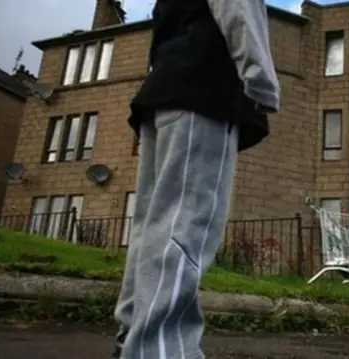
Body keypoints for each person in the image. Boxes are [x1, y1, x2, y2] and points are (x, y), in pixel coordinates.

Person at [112, 1, 279, 358]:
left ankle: (133, 334)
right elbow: (238, 8)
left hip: (164, 91)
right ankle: (160, 348)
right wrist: (261, 82)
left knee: (151, 227)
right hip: (204, 91)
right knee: (186, 225)